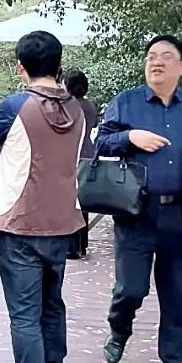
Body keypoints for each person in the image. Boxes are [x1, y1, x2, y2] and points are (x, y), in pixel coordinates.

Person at [95, 34, 182, 363]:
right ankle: (119, 329)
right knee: (130, 289)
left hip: (181, 214)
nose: (156, 62)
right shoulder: (126, 103)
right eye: (151, 56)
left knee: (179, 296)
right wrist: (130, 137)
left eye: (165, 56)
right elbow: (100, 142)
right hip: (136, 213)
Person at [0, 31, 85, 363]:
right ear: (58, 64)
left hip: (20, 224)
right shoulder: (78, 108)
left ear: (20, 66)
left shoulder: (16, 105)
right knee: (52, 303)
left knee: (24, 312)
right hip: (62, 222)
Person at [62, 69, 99, 259]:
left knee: (69, 200)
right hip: (88, 152)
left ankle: (71, 246)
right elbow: (94, 125)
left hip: (71, 153)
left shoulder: (67, 106)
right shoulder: (91, 105)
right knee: (81, 200)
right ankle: (82, 244)